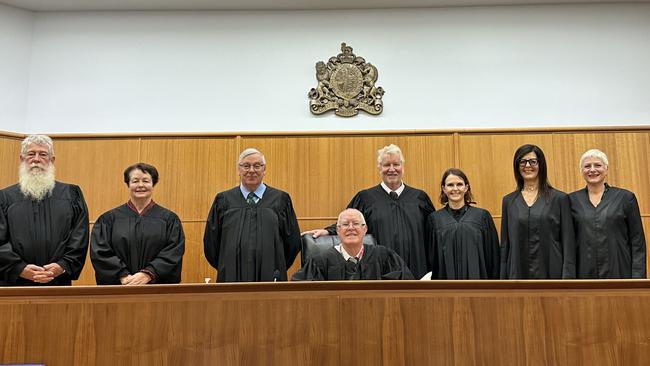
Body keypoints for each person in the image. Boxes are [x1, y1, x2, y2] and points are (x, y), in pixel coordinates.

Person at [304, 144, 435, 279]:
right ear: (379, 168)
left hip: (417, 266)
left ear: (402, 166)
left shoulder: (419, 198)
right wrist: (328, 231)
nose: (391, 169)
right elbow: (350, 222)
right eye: (386, 165)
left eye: (396, 164)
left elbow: (433, 233)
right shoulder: (366, 198)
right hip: (379, 270)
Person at [0, 135, 89, 286]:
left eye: (42, 154)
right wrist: (19, 268)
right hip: (14, 281)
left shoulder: (71, 194)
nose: (36, 159)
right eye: (31, 154)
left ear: (52, 160)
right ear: (22, 159)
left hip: (57, 280)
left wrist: (63, 265)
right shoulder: (4, 197)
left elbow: (79, 235)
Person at [204, 148, 301, 282]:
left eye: (257, 166)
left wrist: (276, 264)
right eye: (246, 166)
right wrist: (227, 265)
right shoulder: (223, 200)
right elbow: (211, 243)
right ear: (239, 170)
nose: (251, 170)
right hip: (232, 276)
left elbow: (292, 242)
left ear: (264, 169)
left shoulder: (280, 200)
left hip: (270, 276)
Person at [90, 163, 185, 285]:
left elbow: (173, 252)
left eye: (146, 181)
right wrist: (123, 275)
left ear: (153, 184)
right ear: (128, 184)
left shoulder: (169, 220)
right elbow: (100, 252)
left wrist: (148, 274)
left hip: (156, 288)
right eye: (135, 181)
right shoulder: (108, 220)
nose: (140, 185)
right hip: (120, 287)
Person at [500, 144, 576, 279]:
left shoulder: (560, 199)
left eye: (533, 161)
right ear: (517, 166)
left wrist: (567, 279)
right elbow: (506, 246)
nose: (527, 166)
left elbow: (568, 243)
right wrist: (503, 279)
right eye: (522, 162)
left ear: (541, 165)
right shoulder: (509, 201)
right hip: (517, 274)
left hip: (551, 273)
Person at [569, 149, 646, 278]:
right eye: (587, 166)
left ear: (606, 169)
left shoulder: (625, 198)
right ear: (581, 171)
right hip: (583, 274)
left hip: (620, 272)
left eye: (598, 165)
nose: (592, 170)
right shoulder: (571, 201)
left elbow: (637, 241)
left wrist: (637, 279)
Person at [292, 209, 414, 280]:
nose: (351, 228)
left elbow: (405, 285)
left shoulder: (384, 256)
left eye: (356, 223)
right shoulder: (320, 262)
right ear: (338, 231)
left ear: (365, 229)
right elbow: (300, 290)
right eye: (345, 224)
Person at [427, 168, 499, 279]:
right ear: (444, 189)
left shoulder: (482, 217)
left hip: (477, 284)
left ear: (466, 188)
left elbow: (492, 257)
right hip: (446, 286)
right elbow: (431, 260)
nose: (455, 189)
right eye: (450, 185)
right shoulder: (435, 220)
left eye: (459, 184)